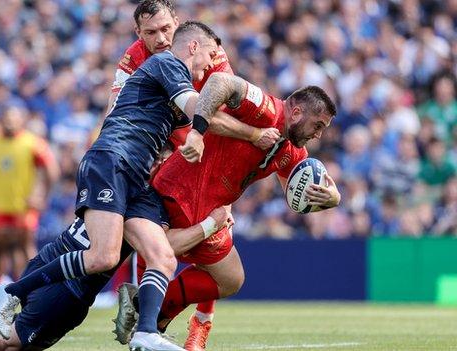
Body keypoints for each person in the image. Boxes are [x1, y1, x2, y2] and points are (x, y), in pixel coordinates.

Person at [0, 21, 222, 351]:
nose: (213, 65)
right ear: (194, 47)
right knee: (103, 257)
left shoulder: (171, 84)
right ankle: (13, 292)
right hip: (113, 160)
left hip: (137, 177)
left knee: (163, 257)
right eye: (211, 54)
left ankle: (145, 334)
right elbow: (199, 110)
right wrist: (242, 109)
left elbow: (202, 126)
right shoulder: (168, 62)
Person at [117, 75, 341, 350]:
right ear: (295, 113)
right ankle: (149, 318)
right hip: (179, 192)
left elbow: (295, 192)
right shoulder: (264, 108)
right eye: (317, 125)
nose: (318, 134)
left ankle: (148, 310)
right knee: (161, 251)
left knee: (231, 278)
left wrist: (333, 197)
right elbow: (221, 81)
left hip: (210, 210)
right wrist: (201, 132)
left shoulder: (293, 152)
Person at [104, 3, 280, 348]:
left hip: (204, 153)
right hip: (165, 153)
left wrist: (249, 136)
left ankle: (187, 321)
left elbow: (218, 107)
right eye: (150, 33)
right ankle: (149, 315)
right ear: (138, 34)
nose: (161, 39)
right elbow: (116, 115)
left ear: (179, 25)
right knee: (158, 239)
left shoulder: (209, 50)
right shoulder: (133, 59)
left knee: (210, 241)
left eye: (166, 29)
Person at [0, 206, 232, 351]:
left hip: (48, 258)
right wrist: (211, 224)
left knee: (9, 326)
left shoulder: (112, 178)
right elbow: (163, 249)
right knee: (12, 344)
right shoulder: (140, 204)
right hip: (70, 286)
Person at [0, 106, 59, 289]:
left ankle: (29, 284)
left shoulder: (32, 143)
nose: (10, 123)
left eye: (14, 119)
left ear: (22, 121)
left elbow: (52, 170)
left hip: (21, 206)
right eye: (7, 118)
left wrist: (42, 196)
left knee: (22, 246)